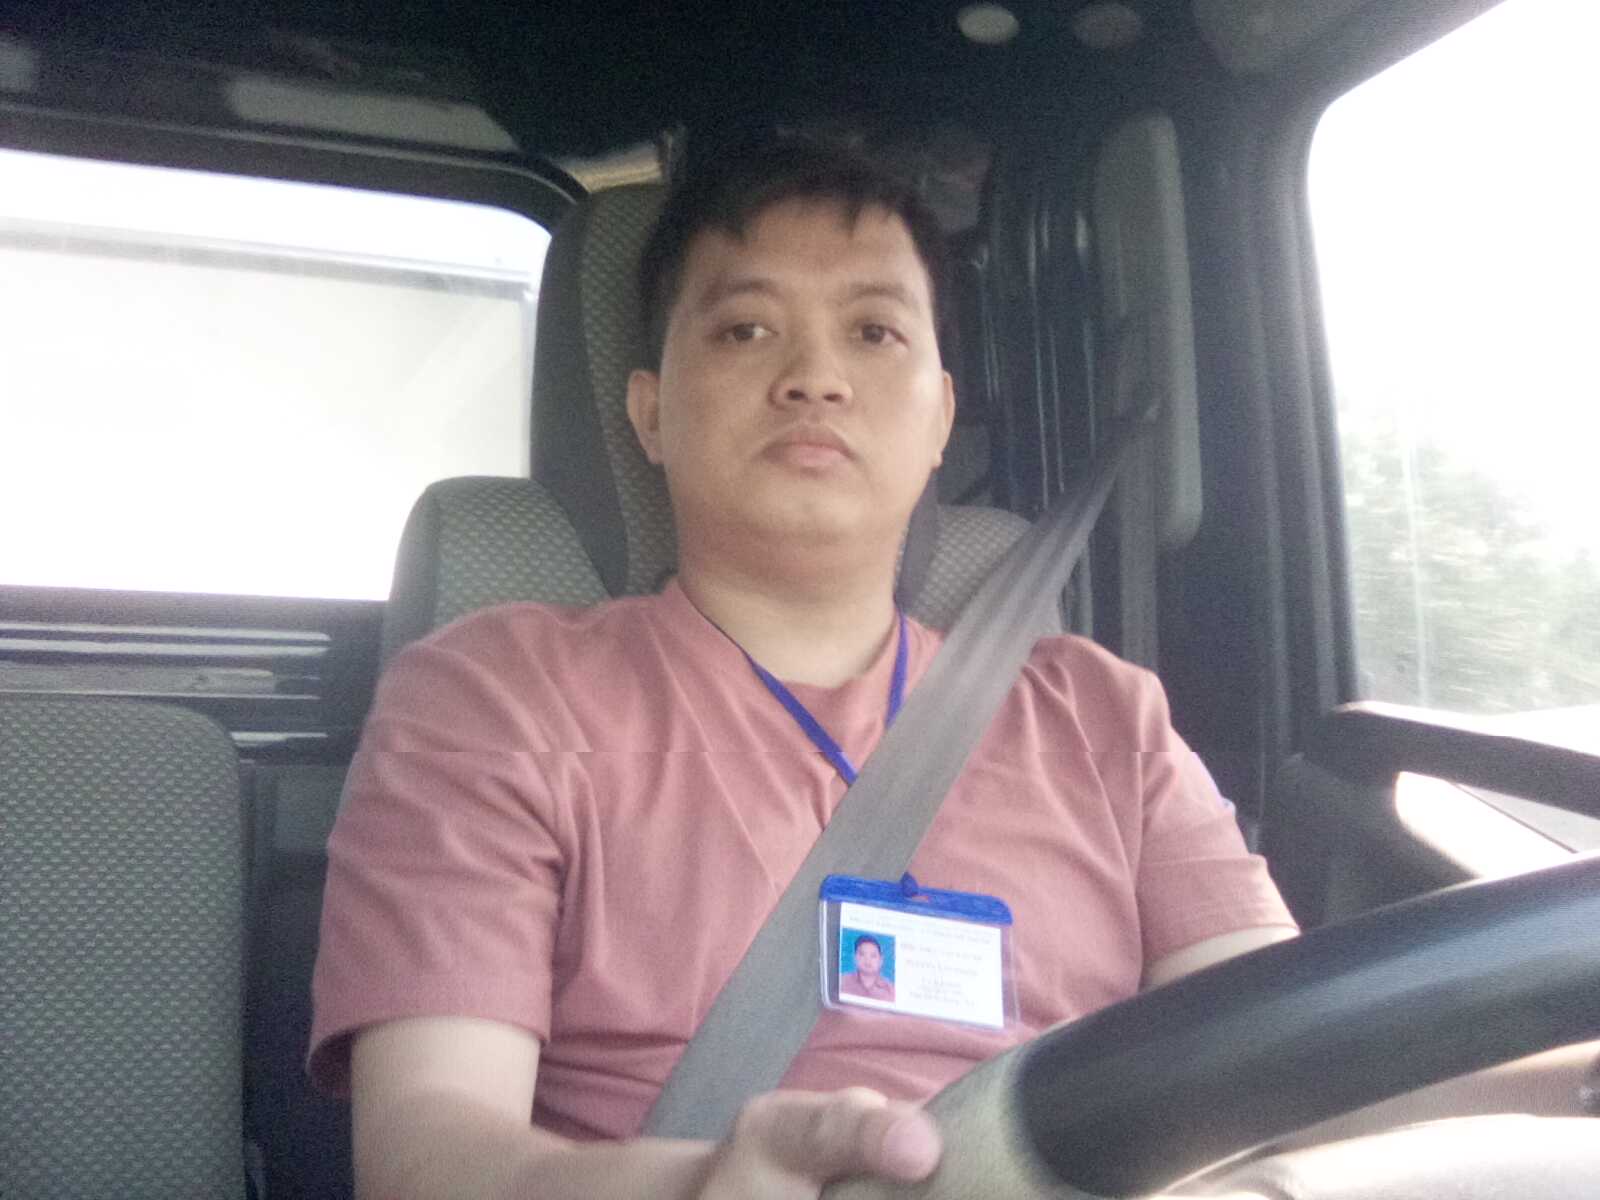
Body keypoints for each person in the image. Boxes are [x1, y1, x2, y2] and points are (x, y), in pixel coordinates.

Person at [309, 138, 1299, 1200]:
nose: (814, 378)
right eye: (745, 329)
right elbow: (429, 1154)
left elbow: (1287, 1054)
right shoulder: (494, 693)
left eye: (874, 332)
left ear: (940, 418)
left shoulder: (1104, 716)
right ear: (649, 412)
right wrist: (698, 1189)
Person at [840, 935, 895, 1002]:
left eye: (873, 956)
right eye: (862, 954)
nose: (867, 960)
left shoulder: (891, 991)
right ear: (855, 958)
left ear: (881, 960)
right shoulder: (842, 982)